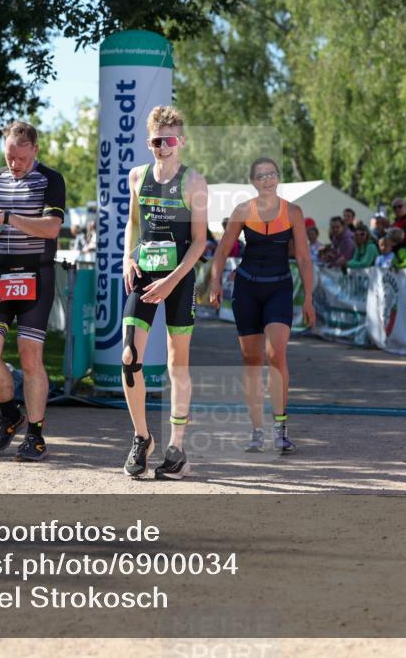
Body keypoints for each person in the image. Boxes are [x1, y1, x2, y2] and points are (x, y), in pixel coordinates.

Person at [121, 105, 208, 480]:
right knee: (129, 357)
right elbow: (132, 222)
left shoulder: (194, 182)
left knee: (177, 364)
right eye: (157, 141)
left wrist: (172, 280)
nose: (164, 147)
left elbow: (200, 241)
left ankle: (176, 449)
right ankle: (142, 438)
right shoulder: (137, 176)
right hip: (144, 274)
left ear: (182, 141)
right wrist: (127, 257)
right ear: (149, 143)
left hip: (179, 278)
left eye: (170, 140)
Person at [0, 121, 65, 462]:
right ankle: (10, 414)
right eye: (9, 157)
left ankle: (36, 436)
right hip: (0, 273)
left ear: (35, 150)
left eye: (22, 158)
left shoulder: (50, 179)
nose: (15, 164)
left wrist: (8, 218)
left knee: (29, 356)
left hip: (36, 273)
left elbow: (51, 228)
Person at [210, 157, 315, 455]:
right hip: (247, 289)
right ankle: (257, 430)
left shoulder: (293, 212)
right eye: (261, 176)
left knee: (276, 354)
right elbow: (222, 250)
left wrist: (308, 297)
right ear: (253, 182)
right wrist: (215, 282)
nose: (267, 180)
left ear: (278, 178)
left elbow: (304, 257)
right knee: (252, 360)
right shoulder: (243, 210)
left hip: (279, 287)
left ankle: (280, 429)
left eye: (271, 174)